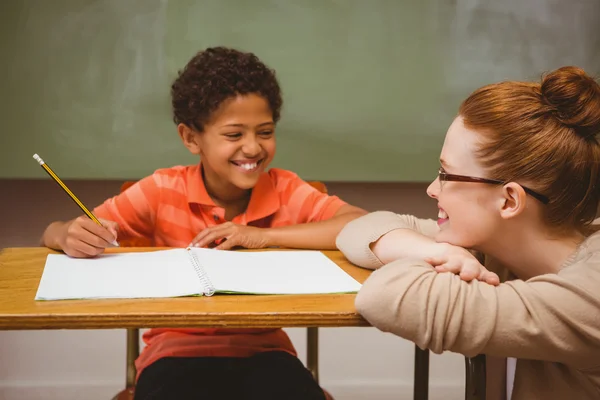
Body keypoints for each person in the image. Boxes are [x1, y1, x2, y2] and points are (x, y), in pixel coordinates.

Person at [41, 46, 366, 399]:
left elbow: (360, 223)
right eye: (234, 135)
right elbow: (54, 232)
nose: (253, 148)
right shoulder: (161, 190)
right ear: (191, 138)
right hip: (174, 355)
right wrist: (65, 233)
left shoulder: (285, 190)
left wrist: (263, 236)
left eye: (265, 131)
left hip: (265, 353)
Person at [336, 66, 600, 400]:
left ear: (508, 201)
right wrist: (440, 252)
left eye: (447, 174)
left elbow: (384, 297)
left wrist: (434, 252)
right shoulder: (498, 248)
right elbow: (361, 229)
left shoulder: (591, 297)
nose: (433, 189)